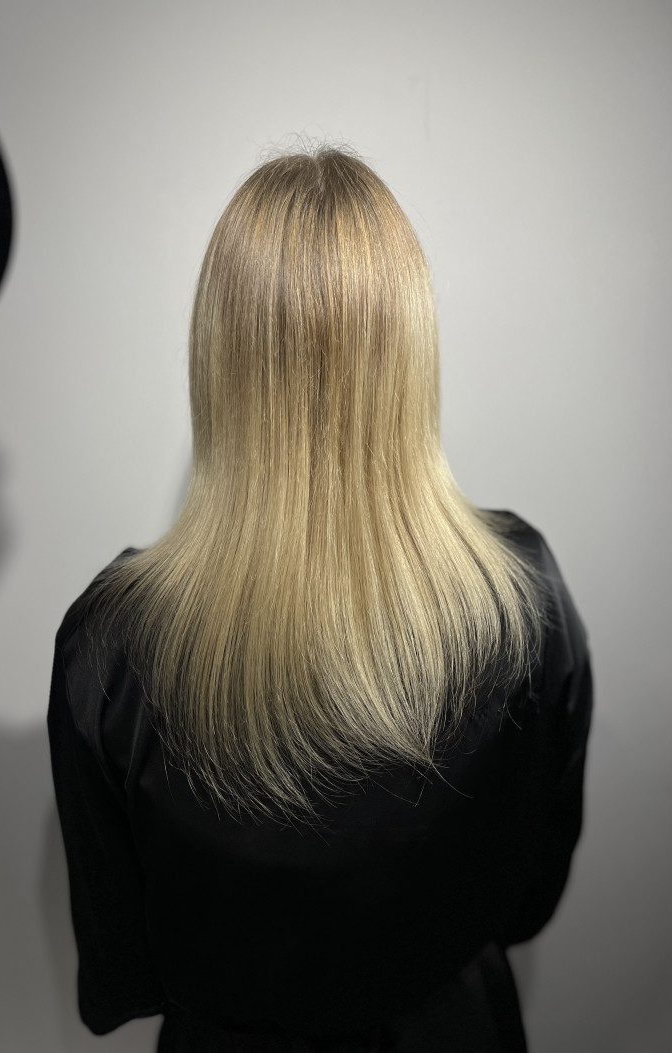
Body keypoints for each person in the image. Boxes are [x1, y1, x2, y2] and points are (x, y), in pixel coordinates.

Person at [47, 146, 593, 1053]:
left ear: (219, 356)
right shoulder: (520, 593)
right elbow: (529, 892)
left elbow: (125, 960)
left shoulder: (111, 643)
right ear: (410, 348)